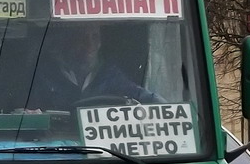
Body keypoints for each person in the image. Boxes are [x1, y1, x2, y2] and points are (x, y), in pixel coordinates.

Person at [27, 21, 159, 112]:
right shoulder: (45, 75)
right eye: (81, 38)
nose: (90, 46)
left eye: (95, 37)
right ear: (66, 41)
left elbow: (146, 97)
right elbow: (28, 112)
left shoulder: (110, 75)